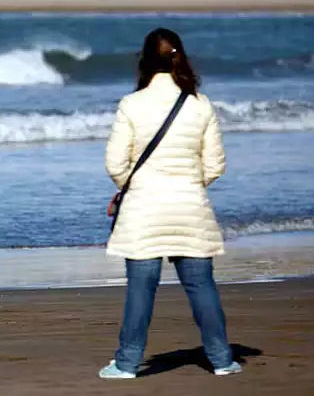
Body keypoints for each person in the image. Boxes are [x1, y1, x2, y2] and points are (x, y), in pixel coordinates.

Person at [98, 28, 242, 379]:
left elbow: (115, 164)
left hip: (144, 210)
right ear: (179, 57)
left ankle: (128, 364)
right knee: (201, 287)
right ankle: (222, 360)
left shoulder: (131, 105)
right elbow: (215, 165)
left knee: (140, 291)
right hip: (190, 206)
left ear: (145, 60)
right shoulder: (200, 104)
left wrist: (132, 186)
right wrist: (191, 184)